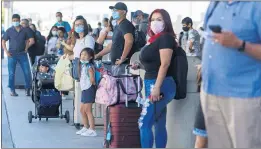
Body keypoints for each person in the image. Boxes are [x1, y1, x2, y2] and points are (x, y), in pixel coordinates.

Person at [201, 1, 261, 148]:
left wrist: (240, 44)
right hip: (210, 92)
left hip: (244, 97)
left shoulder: (256, 5)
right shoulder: (215, 4)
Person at [132, 9, 177, 148]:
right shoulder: (153, 40)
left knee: (144, 122)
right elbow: (154, 64)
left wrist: (156, 88)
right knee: (158, 122)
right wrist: (138, 65)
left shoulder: (165, 38)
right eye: (152, 19)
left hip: (160, 84)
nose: (154, 23)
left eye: (159, 19)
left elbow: (165, 64)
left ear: (166, 22)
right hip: (153, 82)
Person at [95, 2, 137, 74]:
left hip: (123, 65)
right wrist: (98, 55)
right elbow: (112, 45)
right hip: (117, 65)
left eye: (116, 10)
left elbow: (129, 41)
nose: (113, 12)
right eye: (113, 10)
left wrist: (122, 58)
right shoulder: (118, 26)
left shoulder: (125, 24)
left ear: (124, 12)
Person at [2, 14, 35, 96]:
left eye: (16, 20)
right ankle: (12, 90)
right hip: (12, 54)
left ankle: (27, 89)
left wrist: (26, 49)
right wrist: (6, 52)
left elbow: (28, 40)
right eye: (14, 21)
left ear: (19, 20)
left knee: (27, 72)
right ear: (12, 21)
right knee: (11, 73)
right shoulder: (9, 30)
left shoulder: (24, 30)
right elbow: (3, 41)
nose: (15, 22)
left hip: (22, 54)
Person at [75, 48, 97, 137]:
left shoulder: (89, 66)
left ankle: (92, 129)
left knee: (88, 110)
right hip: (85, 89)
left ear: (90, 57)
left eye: (85, 55)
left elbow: (92, 79)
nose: (83, 56)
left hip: (89, 89)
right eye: (82, 54)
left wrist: (93, 84)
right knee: (82, 110)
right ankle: (85, 127)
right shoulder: (83, 66)